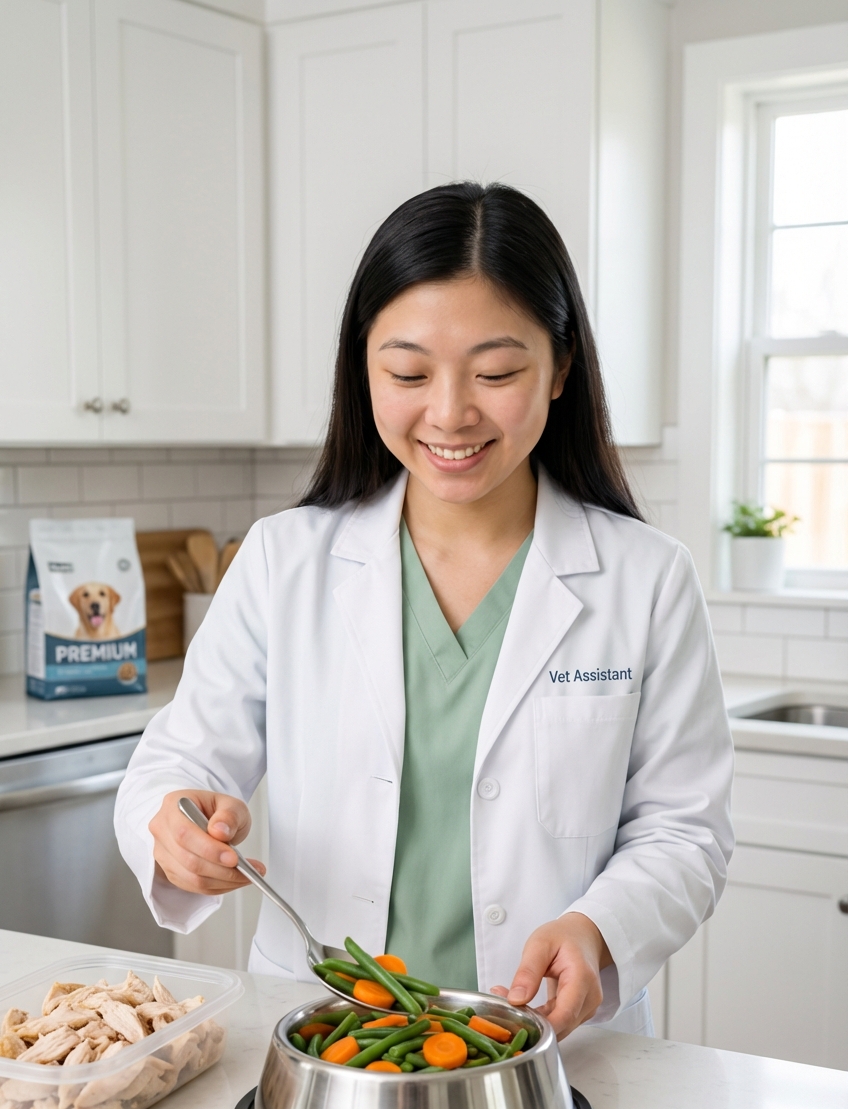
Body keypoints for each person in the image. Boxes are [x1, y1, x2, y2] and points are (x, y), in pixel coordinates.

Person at [115, 182, 734, 1039]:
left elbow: (686, 830)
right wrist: (177, 822)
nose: (450, 413)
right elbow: (177, 763)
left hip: (555, 1050)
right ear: (363, 370)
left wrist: (600, 929)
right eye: (408, 372)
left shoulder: (647, 579)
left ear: (559, 371)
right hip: (325, 1039)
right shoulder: (283, 559)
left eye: (497, 372)